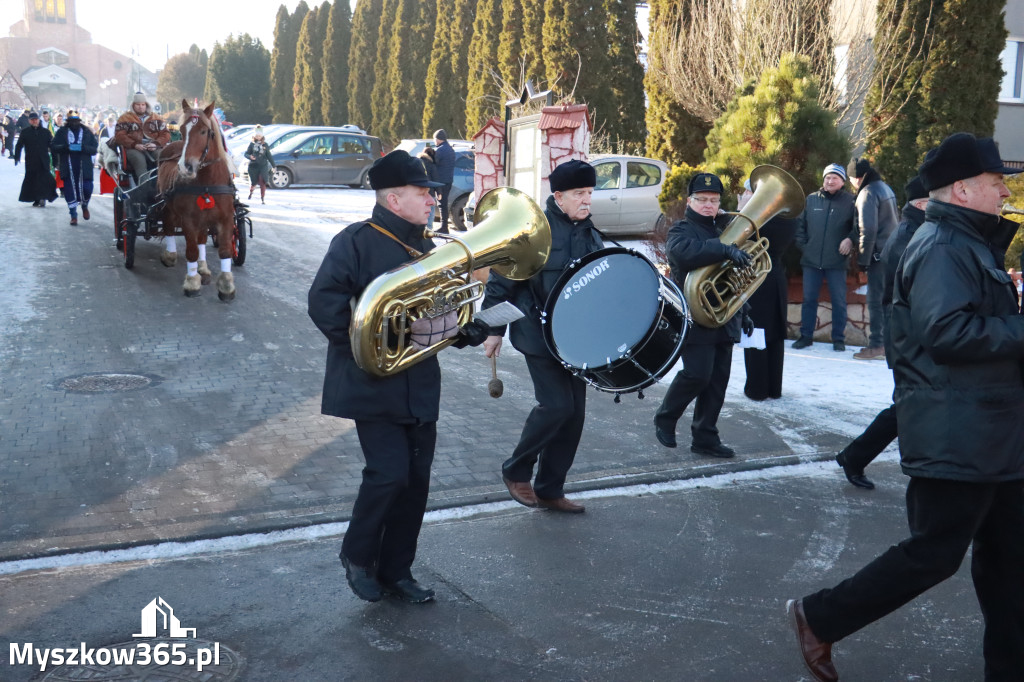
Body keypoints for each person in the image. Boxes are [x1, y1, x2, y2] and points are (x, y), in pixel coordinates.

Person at [787, 132, 1024, 682]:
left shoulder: (968, 243)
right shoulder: (943, 247)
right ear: (962, 189)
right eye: (996, 182)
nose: (1005, 192)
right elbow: (947, 333)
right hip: (957, 433)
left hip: (992, 432)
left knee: (1010, 560)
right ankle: (818, 617)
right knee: (934, 555)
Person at [308, 149, 488, 604]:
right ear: (393, 199)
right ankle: (357, 555)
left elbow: (438, 313)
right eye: (423, 193)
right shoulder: (355, 242)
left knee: (416, 481)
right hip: (373, 382)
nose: (432, 199)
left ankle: (397, 571)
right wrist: (374, 345)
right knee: (388, 474)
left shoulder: (428, 248)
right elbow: (323, 303)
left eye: (431, 193)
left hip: (419, 384)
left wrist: (462, 329)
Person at [482, 159, 605, 513]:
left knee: (574, 415)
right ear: (559, 196)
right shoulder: (534, 231)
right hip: (536, 334)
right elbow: (501, 281)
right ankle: (516, 470)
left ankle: (551, 489)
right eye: (579, 193)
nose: (586, 200)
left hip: (576, 339)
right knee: (557, 406)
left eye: (590, 192)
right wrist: (493, 331)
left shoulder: (591, 233)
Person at [834, 175, 929, 489]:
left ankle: (854, 457)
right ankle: (854, 457)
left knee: (908, 406)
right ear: (923, 203)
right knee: (906, 407)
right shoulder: (908, 237)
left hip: (906, 337)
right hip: (906, 338)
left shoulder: (916, 232)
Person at [654, 172, 754, 458]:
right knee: (697, 375)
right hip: (695, 315)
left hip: (725, 314)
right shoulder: (682, 229)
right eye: (702, 200)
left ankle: (705, 436)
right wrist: (722, 249)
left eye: (714, 200)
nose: (709, 205)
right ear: (690, 201)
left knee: (718, 381)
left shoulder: (725, 229)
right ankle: (666, 417)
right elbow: (682, 253)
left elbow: (735, 279)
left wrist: (745, 310)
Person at [739, 178, 799, 401]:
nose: (743, 196)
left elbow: (735, 241)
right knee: (773, 334)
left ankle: (756, 389)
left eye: (746, 192)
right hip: (776, 279)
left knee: (755, 331)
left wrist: (742, 211)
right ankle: (774, 388)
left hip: (756, 280)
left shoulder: (755, 220)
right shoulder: (787, 219)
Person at [792, 164, 856, 351]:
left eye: (835, 178)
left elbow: (858, 227)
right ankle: (806, 337)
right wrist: (805, 248)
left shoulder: (850, 202)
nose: (830, 181)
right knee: (809, 300)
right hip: (811, 261)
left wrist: (850, 240)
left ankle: (838, 339)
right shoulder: (811, 199)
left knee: (839, 302)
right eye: (827, 177)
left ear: (842, 181)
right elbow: (799, 227)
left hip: (837, 261)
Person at [847, 157, 898, 360]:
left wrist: (863, 260)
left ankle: (877, 345)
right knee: (888, 302)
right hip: (891, 253)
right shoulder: (885, 188)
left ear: (856, 178)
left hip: (878, 256)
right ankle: (888, 345)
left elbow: (867, 230)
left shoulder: (867, 193)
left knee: (876, 301)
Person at [50, 111, 98, 226]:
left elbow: (94, 149)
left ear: (79, 121)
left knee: (87, 188)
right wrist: (65, 148)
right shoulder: (62, 132)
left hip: (84, 167)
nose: (74, 123)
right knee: (69, 191)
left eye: (76, 121)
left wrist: (83, 148)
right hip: (68, 166)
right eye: (72, 121)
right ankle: (73, 215)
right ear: (68, 122)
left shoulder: (87, 132)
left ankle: (85, 205)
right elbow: (54, 146)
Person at [113, 92, 170, 185]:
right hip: (133, 148)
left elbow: (165, 134)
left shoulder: (156, 118)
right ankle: (144, 186)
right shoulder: (124, 118)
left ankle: (164, 183)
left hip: (153, 146)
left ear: (146, 105)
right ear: (133, 105)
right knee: (139, 160)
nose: (141, 107)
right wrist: (134, 145)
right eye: (138, 105)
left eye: (143, 104)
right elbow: (119, 135)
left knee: (162, 157)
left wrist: (156, 144)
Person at [13, 111, 58, 207]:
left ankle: (43, 197)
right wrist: (17, 157)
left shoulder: (46, 132)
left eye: (36, 119)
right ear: (29, 121)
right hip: (31, 161)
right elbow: (19, 145)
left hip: (43, 161)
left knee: (45, 180)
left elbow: (52, 147)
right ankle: (37, 199)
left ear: (38, 120)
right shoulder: (25, 132)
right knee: (33, 181)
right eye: (32, 120)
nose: (34, 121)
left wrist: (55, 161)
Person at [431, 129, 455, 234]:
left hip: (441, 182)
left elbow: (433, 163)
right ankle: (444, 226)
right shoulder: (450, 149)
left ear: (438, 139)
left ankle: (444, 227)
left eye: (434, 139)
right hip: (448, 181)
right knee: (443, 203)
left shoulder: (440, 150)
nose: (434, 141)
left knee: (441, 204)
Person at [244, 126, 275, 204]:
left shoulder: (265, 145)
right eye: (257, 136)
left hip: (263, 166)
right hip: (253, 166)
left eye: (259, 136)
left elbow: (269, 156)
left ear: (262, 136)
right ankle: (251, 192)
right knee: (254, 183)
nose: (258, 137)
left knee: (262, 181)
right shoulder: (252, 144)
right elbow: (246, 154)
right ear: (254, 136)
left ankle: (262, 198)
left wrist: (274, 166)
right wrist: (250, 157)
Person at [417, 146, 439, 225]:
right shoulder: (431, 164)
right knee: (430, 212)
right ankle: (429, 228)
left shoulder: (417, 163)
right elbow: (435, 179)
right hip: (430, 192)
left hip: (418, 192)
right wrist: (439, 192)